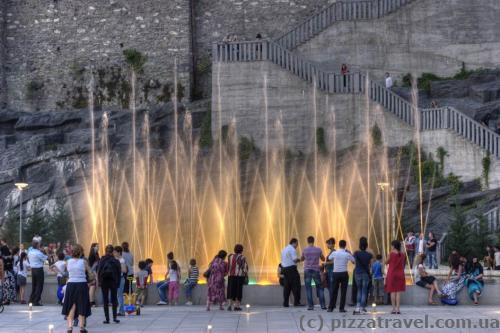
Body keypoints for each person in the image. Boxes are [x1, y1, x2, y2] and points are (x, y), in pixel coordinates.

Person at [62, 244, 92, 333]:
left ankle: (70, 327)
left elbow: (66, 273)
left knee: (71, 305)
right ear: (81, 252)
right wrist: (90, 281)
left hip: (71, 285)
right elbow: (90, 274)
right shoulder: (84, 262)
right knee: (81, 304)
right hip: (82, 284)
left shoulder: (68, 262)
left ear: (72, 252)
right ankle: (82, 327)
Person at [327, 240, 354, 313]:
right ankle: (341, 308)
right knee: (343, 291)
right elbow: (354, 261)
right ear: (345, 246)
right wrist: (349, 253)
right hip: (344, 273)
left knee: (334, 291)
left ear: (339, 245)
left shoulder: (334, 253)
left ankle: (330, 308)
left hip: (335, 273)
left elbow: (329, 258)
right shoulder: (346, 254)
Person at [97, 244, 121, 324]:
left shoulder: (102, 259)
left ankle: (107, 319)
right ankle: (115, 318)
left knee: (105, 300)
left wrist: (99, 281)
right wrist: (118, 283)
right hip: (113, 281)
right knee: (114, 300)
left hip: (104, 281)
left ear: (105, 251)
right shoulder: (116, 260)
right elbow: (118, 272)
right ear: (113, 251)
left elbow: (99, 271)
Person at [301, 236, 325, 310]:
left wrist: (305, 257)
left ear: (307, 241)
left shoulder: (305, 250)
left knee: (308, 288)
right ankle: (323, 305)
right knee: (320, 288)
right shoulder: (318, 249)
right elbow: (323, 258)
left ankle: (310, 306)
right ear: (313, 241)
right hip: (316, 270)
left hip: (307, 270)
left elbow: (302, 259)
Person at [353, 237, 373, 314]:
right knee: (364, 291)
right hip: (365, 274)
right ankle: (362, 308)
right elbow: (370, 266)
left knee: (359, 290)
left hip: (357, 273)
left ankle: (357, 307)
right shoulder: (369, 255)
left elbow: (354, 262)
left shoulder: (356, 253)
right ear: (366, 245)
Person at [385, 240, 406, 314]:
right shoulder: (402, 254)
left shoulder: (391, 254)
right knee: (398, 292)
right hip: (400, 274)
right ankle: (398, 309)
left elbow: (386, 262)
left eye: (391, 245)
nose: (391, 246)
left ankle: (393, 309)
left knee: (393, 292)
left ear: (393, 246)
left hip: (392, 274)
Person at [281, 238, 302, 307]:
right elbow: (295, 260)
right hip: (291, 269)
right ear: (294, 243)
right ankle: (297, 302)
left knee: (287, 286)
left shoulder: (284, 249)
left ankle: (285, 303)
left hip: (284, 269)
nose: (297, 246)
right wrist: (300, 259)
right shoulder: (292, 249)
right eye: (297, 244)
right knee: (296, 285)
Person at [227, 244, 249, 311]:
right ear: (242, 250)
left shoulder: (230, 256)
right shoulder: (242, 257)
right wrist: (246, 274)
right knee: (238, 291)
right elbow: (244, 268)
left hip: (231, 276)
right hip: (239, 276)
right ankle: (237, 306)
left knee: (231, 290)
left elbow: (228, 266)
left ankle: (229, 305)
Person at [28, 240, 48, 306]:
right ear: (37, 245)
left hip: (32, 270)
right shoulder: (38, 253)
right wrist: (46, 252)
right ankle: (36, 301)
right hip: (39, 269)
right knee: (39, 286)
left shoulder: (30, 252)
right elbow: (45, 259)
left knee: (34, 285)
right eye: (39, 245)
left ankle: (31, 300)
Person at [0, 241, 16, 305]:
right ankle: (6, 299)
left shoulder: (3, 257)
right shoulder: (8, 257)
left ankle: (6, 299)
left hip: (5, 272)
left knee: (6, 286)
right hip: (7, 272)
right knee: (7, 286)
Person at [113, 245, 127, 316]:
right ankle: (120, 310)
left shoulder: (121, 260)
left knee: (119, 295)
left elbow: (124, 270)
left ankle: (121, 311)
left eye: (115, 252)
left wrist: (116, 268)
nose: (114, 253)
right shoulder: (116, 259)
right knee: (118, 295)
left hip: (120, 279)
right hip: (116, 279)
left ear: (119, 252)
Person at [324, 238, 336, 305]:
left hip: (331, 272)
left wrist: (325, 263)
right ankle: (332, 303)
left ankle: (332, 303)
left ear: (332, 244)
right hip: (329, 271)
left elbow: (334, 261)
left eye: (328, 244)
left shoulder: (334, 252)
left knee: (331, 287)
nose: (327, 245)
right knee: (330, 287)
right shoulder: (331, 252)